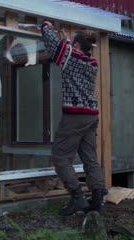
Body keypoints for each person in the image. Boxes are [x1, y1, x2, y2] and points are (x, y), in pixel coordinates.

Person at [41, 20, 107, 216]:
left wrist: (46, 26)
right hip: (91, 116)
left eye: (71, 41)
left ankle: (77, 197)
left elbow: (53, 44)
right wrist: (68, 41)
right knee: (89, 157)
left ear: (76, 45)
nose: (68, 43)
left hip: (75, 117)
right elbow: (68, 50)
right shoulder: (92, 62)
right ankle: (97, 199)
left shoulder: (70, 56)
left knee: (61, 157)